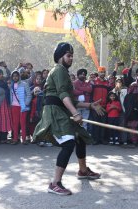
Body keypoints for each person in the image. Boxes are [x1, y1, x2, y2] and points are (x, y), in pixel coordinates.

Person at [33, 42, 105, 196]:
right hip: (54, 111)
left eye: (72, 55)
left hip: (62, 109)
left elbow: (71, 100)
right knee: (69, 143)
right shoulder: (59, 70)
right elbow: (63, 96)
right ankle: (55, 183)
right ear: (60, 57)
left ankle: (83, 170)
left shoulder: (64, 72)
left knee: (80, 137)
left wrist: (90, 105)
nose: (71, 58)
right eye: (68, 55)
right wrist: (76, 113)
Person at [10, 70, 32, 145]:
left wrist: (26, 103)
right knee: (15, 123)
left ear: (19, 76)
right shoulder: (11, 85)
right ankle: (15, 139)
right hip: (14, 106)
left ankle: (24, 139)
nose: (15, 77)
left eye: (16, 76)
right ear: (12, 77)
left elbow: (29, 95)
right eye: (13, 76)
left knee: (23, 123)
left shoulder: (24, 84)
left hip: (22, 106)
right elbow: (11, 96)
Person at [90, 66, 110, 145]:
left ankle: (102, 139)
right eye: (101, 72)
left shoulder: (107, 83)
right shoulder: (93, 82)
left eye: (104, 72)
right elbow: (90, 94)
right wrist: (93, 104)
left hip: (104, 106)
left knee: (103, 124)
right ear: (98, 73)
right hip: (95, 106)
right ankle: (95, 139)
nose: (102, 73)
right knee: (96, 123)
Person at [112, 77, 128, 145]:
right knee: (115, 125)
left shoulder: (125, 90)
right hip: (114, 110)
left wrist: (120, 90)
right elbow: (111, 97)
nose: (118, 83)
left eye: (120, 82)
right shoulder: (114, 90)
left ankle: (124, 140)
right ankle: (116, 139)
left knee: (123, 125)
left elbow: (125, 97)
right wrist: (115, 90)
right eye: (117, 82)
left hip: (122, 110)